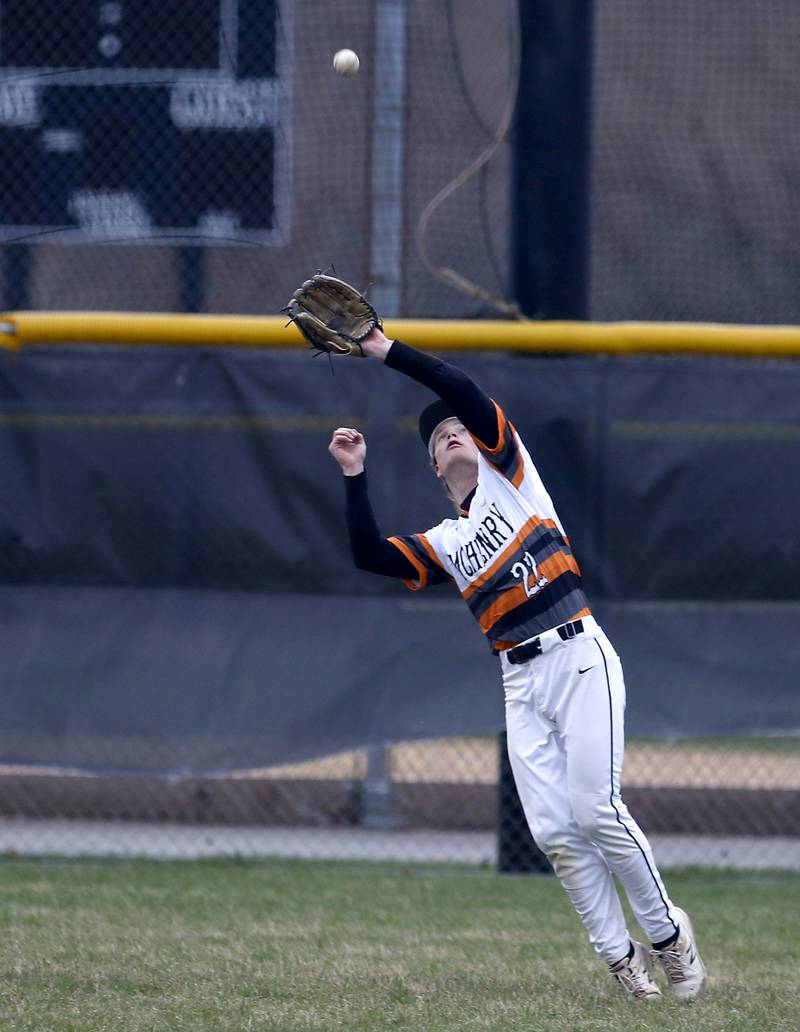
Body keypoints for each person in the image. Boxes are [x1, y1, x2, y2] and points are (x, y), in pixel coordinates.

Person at [327, 327, 707, 1001]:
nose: (450, 434)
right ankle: (622, 964)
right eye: (437, 438)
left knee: (595, 809)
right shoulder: (445, 542)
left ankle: (670, 939)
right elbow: (370, 556)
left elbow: (459, 389)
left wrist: (383, 349)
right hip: (520, 679)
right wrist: (355, 477)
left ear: (483, 441)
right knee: (556, 833)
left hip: (577, 653)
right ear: (432, 470)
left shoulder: (515, 479)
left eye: (458, 430)